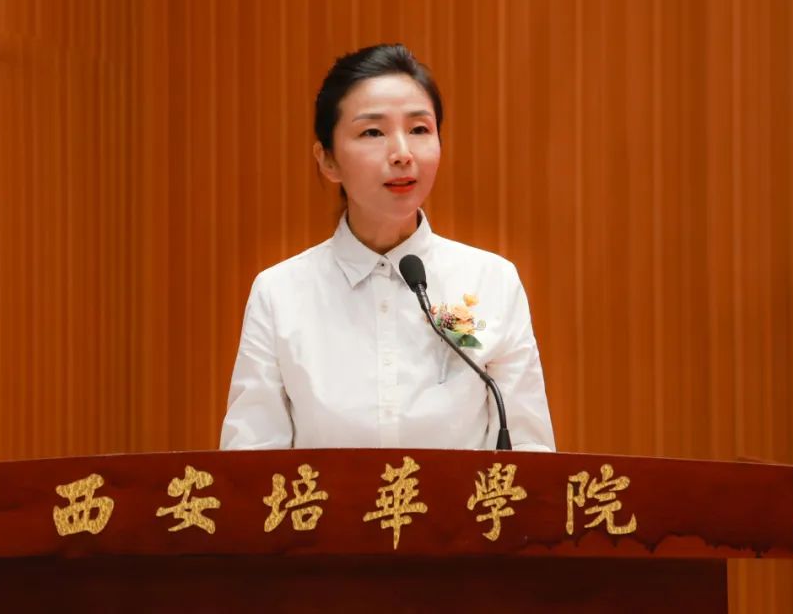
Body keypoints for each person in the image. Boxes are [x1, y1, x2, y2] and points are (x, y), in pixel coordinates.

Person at [220, 44, 555, 451]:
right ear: (328, 160)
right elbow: (251, 462)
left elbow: (530, 452)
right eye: (373, 133)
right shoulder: (280, 294)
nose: (402, 154)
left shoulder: (490, 281)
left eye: (419, 130)